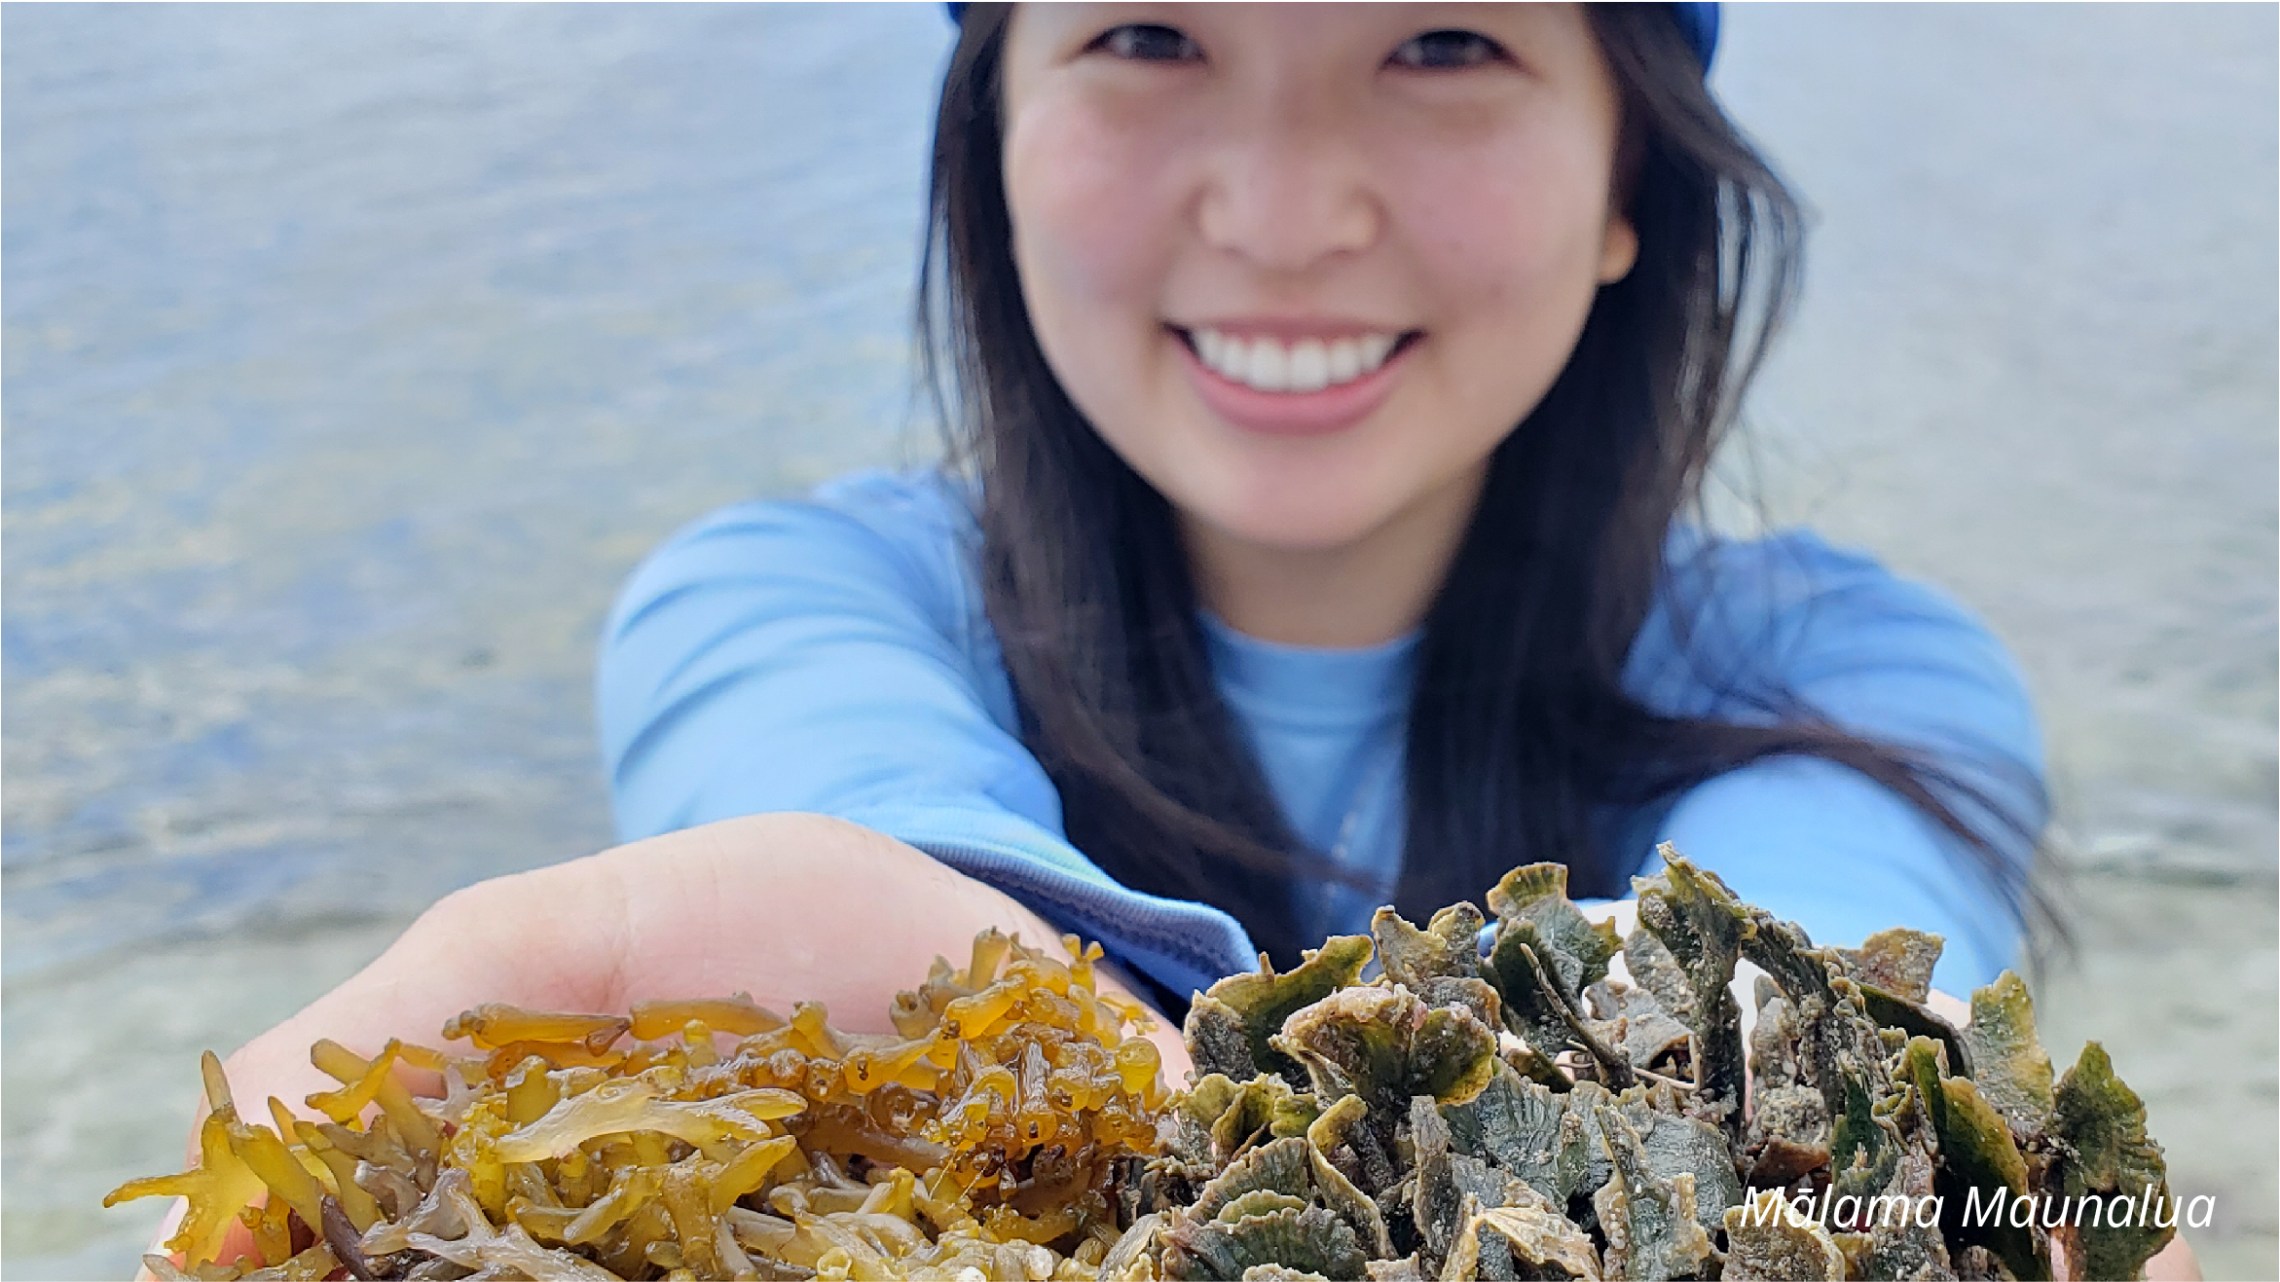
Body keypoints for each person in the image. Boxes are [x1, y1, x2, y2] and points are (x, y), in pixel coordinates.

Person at [139, 6, 2199, 1278]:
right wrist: (1025, 1024)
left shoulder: (1872, 680)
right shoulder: (778, 598)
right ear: (991, 137)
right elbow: (845, 811)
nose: (1287, 205)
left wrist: (1841, 1134)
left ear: (1625, 171)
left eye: (1445, 42)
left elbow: (1802, 976)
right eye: (1147, 34)